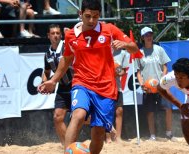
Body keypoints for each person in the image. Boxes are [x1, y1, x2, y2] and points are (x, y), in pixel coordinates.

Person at [37, 0, 139, 153]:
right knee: (78, 115)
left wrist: (125, 45)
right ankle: (68, 151)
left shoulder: (109, 29)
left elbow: (134, 48)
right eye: (88, 16)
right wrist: (53, 80)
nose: (91, 20)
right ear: (80, 14)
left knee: (98, 133)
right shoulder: (71, 35)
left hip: (106, 88)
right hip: (82, 83)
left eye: (96, 16)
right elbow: (67, 59)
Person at [136, 26, 176, 141]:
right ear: (142, 38)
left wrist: (163, 78)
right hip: (148, 87)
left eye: (150, 34)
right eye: (146, 35)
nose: (149, 37)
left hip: (161, 85)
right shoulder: (139, 53)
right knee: (150, 111)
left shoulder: (159, 49)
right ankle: (152, 135)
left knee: (168, 108)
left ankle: (169, 133)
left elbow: (165, 66)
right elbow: (138, 72)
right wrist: (142, 83)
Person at [40, 24, 73, 145]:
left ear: (61, 35)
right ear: (48, 36)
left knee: (84, 118)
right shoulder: (47, 54)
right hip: (63, 87)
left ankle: (106, 125)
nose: (55, 36)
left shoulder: (67, 46)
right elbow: (47, 71)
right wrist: (44, 83)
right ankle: (68, 147)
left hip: (77, 84)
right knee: (57, 117)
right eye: (53, 33)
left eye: (58, 33)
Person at [105, 49, 129, 143]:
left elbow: (123, 71)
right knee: (107, 112)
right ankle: (108, 138)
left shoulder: (122, 53)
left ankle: (118, 137)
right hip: (105, 87)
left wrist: (116, 71)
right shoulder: (103, 49)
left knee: (119, 110)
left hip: (117, 87)